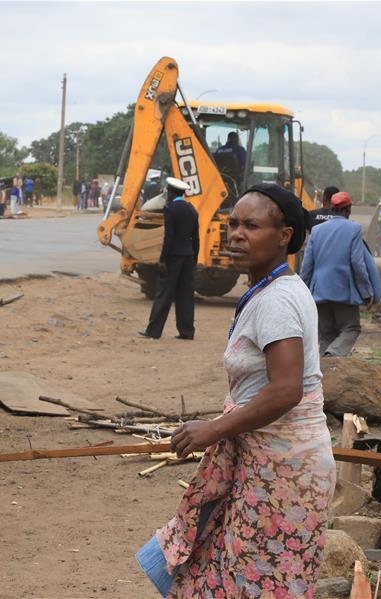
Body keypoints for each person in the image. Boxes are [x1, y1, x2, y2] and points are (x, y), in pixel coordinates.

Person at [138, 182, 335, 598]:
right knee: (231, 570)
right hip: (265, 463)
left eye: (252, 225)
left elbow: (285, 390)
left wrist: (214, 429)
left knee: (261, 581)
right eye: (232, 224)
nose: (237, 235)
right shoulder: (269, 289)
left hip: (283, 471)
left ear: (284, 237)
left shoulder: (277, 301)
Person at [300, 191, 381, 357]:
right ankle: (333, 355)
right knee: (351, 328)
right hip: (343, 290)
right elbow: (358, 264)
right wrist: (367, 292)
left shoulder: (317, 230)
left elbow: (307, 265)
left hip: (319, 290)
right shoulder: (354, 229)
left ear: (331, 208)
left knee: (325, 335)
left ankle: (323, 373)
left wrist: (303, 292)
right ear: (348, 208)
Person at [139, 178, 200, 340]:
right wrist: (194, 260)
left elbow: (169, 236)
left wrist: (162, 259)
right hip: (188, 257)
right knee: (186, 295)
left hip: (173, 257)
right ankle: (187, 332)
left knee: (164, 293)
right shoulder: (191, 209)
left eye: (167, 193)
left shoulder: (170, 209)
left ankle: (153, 331)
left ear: (171, 193)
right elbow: (196, 238)